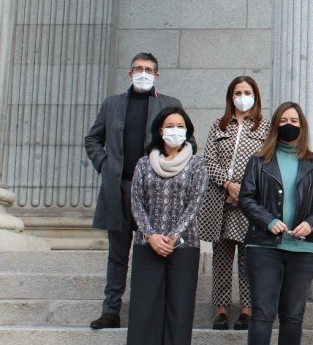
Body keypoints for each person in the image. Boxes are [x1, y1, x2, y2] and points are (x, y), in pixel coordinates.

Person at [84, 52, 194, 329]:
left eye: (148, 69)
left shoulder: (170, 104)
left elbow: (188, 142)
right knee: (117, 254)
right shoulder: (112, 104)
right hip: (120, 188)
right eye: (137, 68)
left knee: (151, 251)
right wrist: (106, 165)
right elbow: (93, 139)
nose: (142, 73)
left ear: (157, 75)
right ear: (130, 73)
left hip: (156, 191)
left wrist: (169, 166)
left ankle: (146, 311)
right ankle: (111, 310)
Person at [238, 102, 313, 345]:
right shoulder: (258, 161)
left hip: (303, 250)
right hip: (263, 247)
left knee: (293, 315)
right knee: (263, 312)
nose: (288, 125)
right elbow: (246, 198)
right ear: (274, 126)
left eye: (293, 121)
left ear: (302, 126)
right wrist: (268, 220)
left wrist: (310, 224)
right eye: (283, 121)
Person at [127, 106, 207, 345]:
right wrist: (151, 235)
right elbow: (136, 202)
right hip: (147, 245)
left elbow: (195, 203)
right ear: (160, 131)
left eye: (180, 126)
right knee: (144, 311)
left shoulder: (197, 164)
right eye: (170, 126)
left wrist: (173, 236)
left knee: (179, 311)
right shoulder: (144, 164)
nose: (175, 130)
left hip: (183, 246)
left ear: (188, 131)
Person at [201, 76, 270, 330]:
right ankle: (221, 310)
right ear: (231, 97)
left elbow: (267, 161)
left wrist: (244, 190)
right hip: (220, 200)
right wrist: (227, 184)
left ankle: (246, 310)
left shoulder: (264, 127)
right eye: (238, 92)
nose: (242, 97)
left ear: (255, 96)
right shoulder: (218, 126)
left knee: (247, 256)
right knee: (221, 256)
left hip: (250, 200)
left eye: (247, 92)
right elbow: (208, 159)